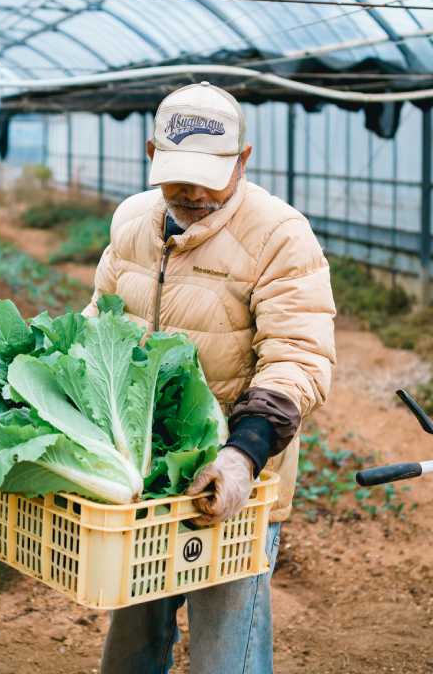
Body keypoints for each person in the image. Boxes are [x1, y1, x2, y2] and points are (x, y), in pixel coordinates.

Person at [83, 81, 336, 674]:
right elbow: (100, 323)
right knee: (132, 641)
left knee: (228, 652)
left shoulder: (279, 236)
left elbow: (298, 358)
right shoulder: (132, 223)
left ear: (243, 161)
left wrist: (241, 457)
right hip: (143, 478)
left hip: (231, 485)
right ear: (152, 155)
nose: (192, 192)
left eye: (209, 174)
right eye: (176, 174)